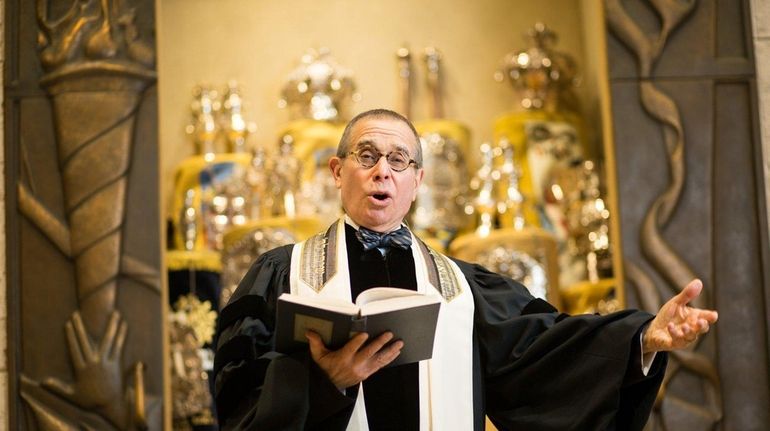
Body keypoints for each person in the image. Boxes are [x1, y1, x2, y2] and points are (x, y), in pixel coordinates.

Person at [213, 108, 718, 431]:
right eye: (365, 156)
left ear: (417, 181)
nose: (381, 170)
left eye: (398, 160)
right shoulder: (282, 274)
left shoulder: (462, 290)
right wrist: (323, 382)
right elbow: (239, 400)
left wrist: (644, 338)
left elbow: (548, 352)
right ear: (337, 170)